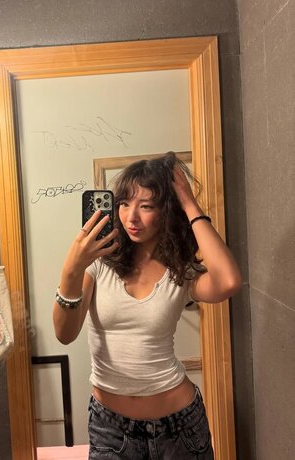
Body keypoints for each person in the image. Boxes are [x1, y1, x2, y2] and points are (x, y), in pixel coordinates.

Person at [52, 153, 241, 459]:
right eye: (124, 203)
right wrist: (71, 269)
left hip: (180, 428)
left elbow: (229, 282)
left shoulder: (180, 270)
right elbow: (64, 332)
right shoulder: (99, 262)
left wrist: (189, 204)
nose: (131, 218)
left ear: (166, 210)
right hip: (110, 429)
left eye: (146, 206)